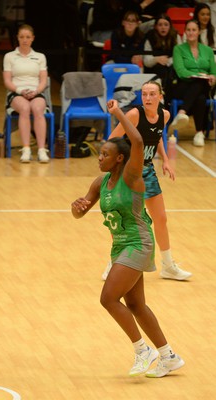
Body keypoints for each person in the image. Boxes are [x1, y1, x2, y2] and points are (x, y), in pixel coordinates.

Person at [71, 99, 185, 379]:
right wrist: (77, 208)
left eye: (105, 155)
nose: (100, 158)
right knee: (135, 305)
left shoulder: (133, 175)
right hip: (120, 245)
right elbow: (81, 211)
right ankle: (169, 356)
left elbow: (135, 140)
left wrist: (118, 113)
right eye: (99, 154)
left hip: (139, 242)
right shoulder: (100, 183)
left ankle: (142, 350)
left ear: (119, 158)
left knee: (108, 298)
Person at [102, 81, 192, 281]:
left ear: (160, 96)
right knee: (125, 221)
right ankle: (114, 263)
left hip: (147, 170)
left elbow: (158, 136)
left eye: (152, 94)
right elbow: (112, 141)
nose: (148, 98)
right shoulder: (134, 115)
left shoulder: (165, 115)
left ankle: (168, 265)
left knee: (160, 218)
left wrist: (166, 160)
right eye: (144, 94)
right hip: (127, 172)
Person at [3, 24, 50, 163]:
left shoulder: (40, 57)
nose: (25, 40)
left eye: (28, 37)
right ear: (17, 38)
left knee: (37, 108)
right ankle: (26, 149)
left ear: (32, 39)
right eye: (22, 37)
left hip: (36, 91)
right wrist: (20, 91)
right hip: (16, 92)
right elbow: (7, 81)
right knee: (25, 108)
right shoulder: (9, 56)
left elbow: (43, 80)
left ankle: (42, 150)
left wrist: (36, 91)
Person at [170, 19, 216, 147]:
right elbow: (180, 71)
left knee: (201, 92)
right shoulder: (178, 49)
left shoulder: (208, 50)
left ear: (199, 32)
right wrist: (195, 75)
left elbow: (214, 72)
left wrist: (213, 77)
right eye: (188, 30)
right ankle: (199, 133)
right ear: (185, 32)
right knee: (199, 90)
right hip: (183, 85)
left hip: (204, 86)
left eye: (194, 30)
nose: (191, 33)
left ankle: (182, 113)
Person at [143, 14, 181, 106]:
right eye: (160, 25)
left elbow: (180, 57)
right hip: (154, 70)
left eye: (166, 25)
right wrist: (157, 59)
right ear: (156, 26)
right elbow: (146, 61)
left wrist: (167, 61)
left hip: (171, 70)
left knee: (169, 74)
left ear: (170, 26)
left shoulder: (175, 36)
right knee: (161, 71)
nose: (163, 27)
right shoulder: (150, 37)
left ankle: (167, 107)